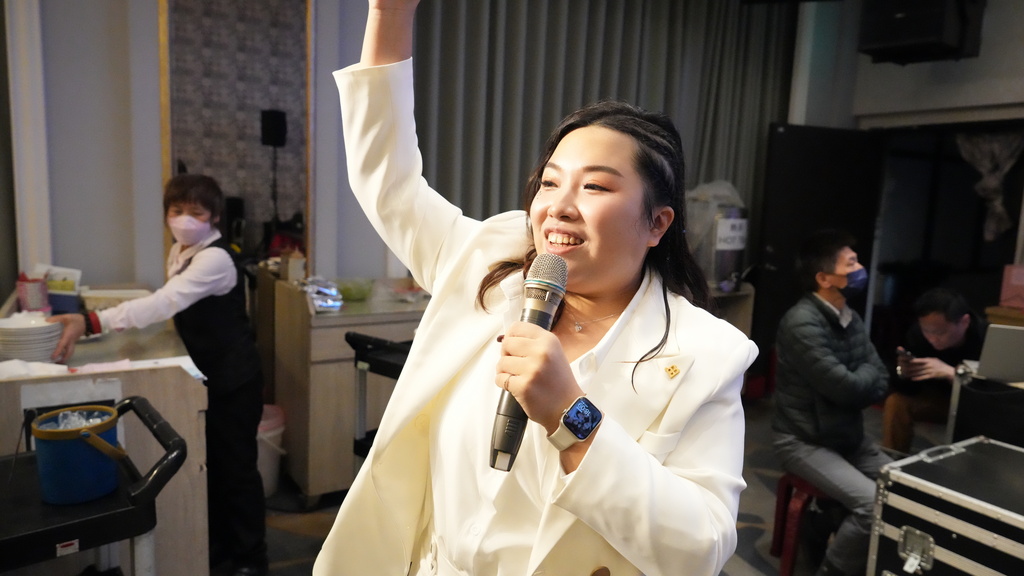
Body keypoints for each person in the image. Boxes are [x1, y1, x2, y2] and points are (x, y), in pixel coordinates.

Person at [313, 2, 758, 575]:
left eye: (596, 187)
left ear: (657, 223)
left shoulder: (706, 354)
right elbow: (389, 183)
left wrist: (571, 416)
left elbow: (701, 547)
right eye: (550, 182)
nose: (559, 207)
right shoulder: (489, 263)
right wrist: (389, 13)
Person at [48, 174, 268, 576]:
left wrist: (91, 321)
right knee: (214, 469)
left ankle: (251, 559)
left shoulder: (216, 259)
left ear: (215, 217)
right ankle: (221, 549)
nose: (185, 219)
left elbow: (166, 302)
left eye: (196, 212)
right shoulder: (181, 250)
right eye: (177, 210)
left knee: (237, 471)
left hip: (235, 379)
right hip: (209, 375)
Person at [771, 229, 892, 576]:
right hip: (804, 442)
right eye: (850, 264)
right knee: (872, 505)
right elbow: (847, 390)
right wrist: (864, 378)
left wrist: (862, 379)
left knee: (907, 490)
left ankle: (823, 528)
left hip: (846, 437)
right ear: (824, 278)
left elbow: (881, 378)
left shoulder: (848, 315)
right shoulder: (801, 323)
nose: (860, 269)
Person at [883, 287, 987, 454]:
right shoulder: (918, 335)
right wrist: (904, 372)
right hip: (938, 400)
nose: (932, 338)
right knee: (896, 402)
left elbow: (992, 394)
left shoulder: (986, 337)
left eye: (940, 332)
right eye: (926, 331)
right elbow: (909, 389)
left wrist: (953, 374)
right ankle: (892, 459)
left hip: (974, 406)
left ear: (965, 322)